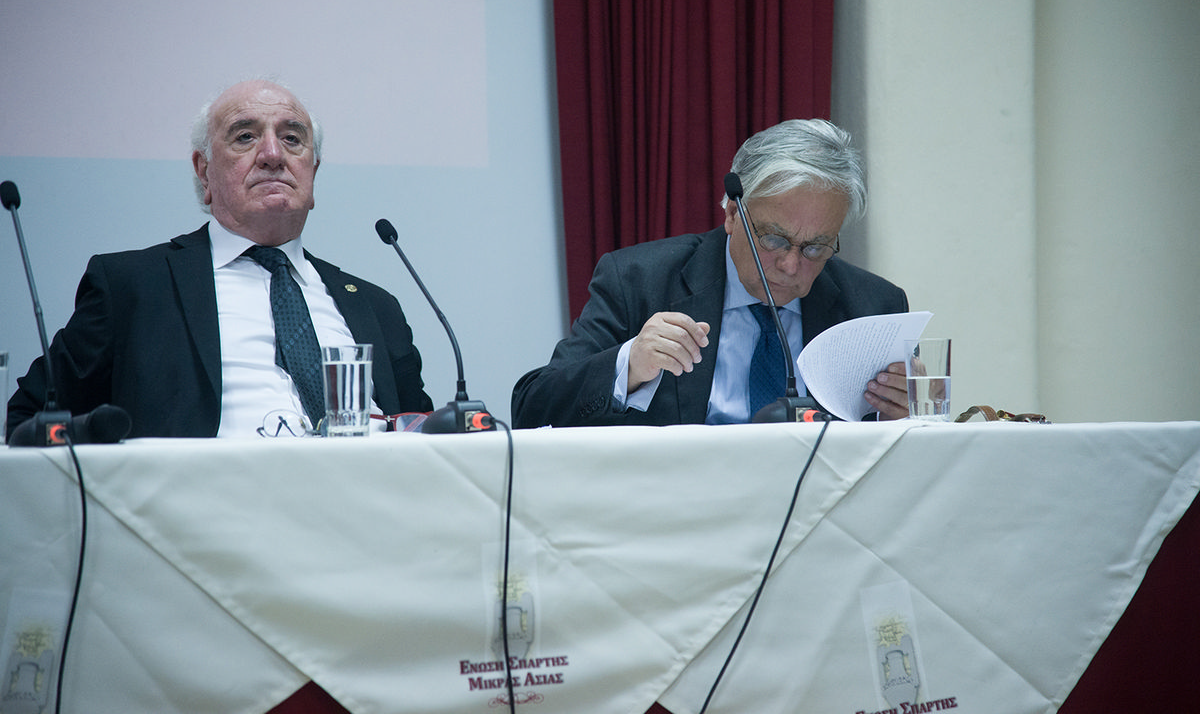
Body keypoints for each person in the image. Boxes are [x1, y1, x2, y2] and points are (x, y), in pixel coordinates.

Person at [6, 79, 433, 439]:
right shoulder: (131, 287)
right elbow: (29, 422)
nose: (273, 154)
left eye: (292, 138)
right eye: (245, 136)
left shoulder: (376, 307)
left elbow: (425, 439)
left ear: (313, 173)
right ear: (204, 171)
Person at [511, 119, 910, 428]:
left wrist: (906, 413)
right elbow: (532, 408)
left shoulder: (872, 306)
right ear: (733, 213)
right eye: (774, 239)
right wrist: (629, 366)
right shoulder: (639, 280)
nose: (791, 265)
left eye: (815, 247)